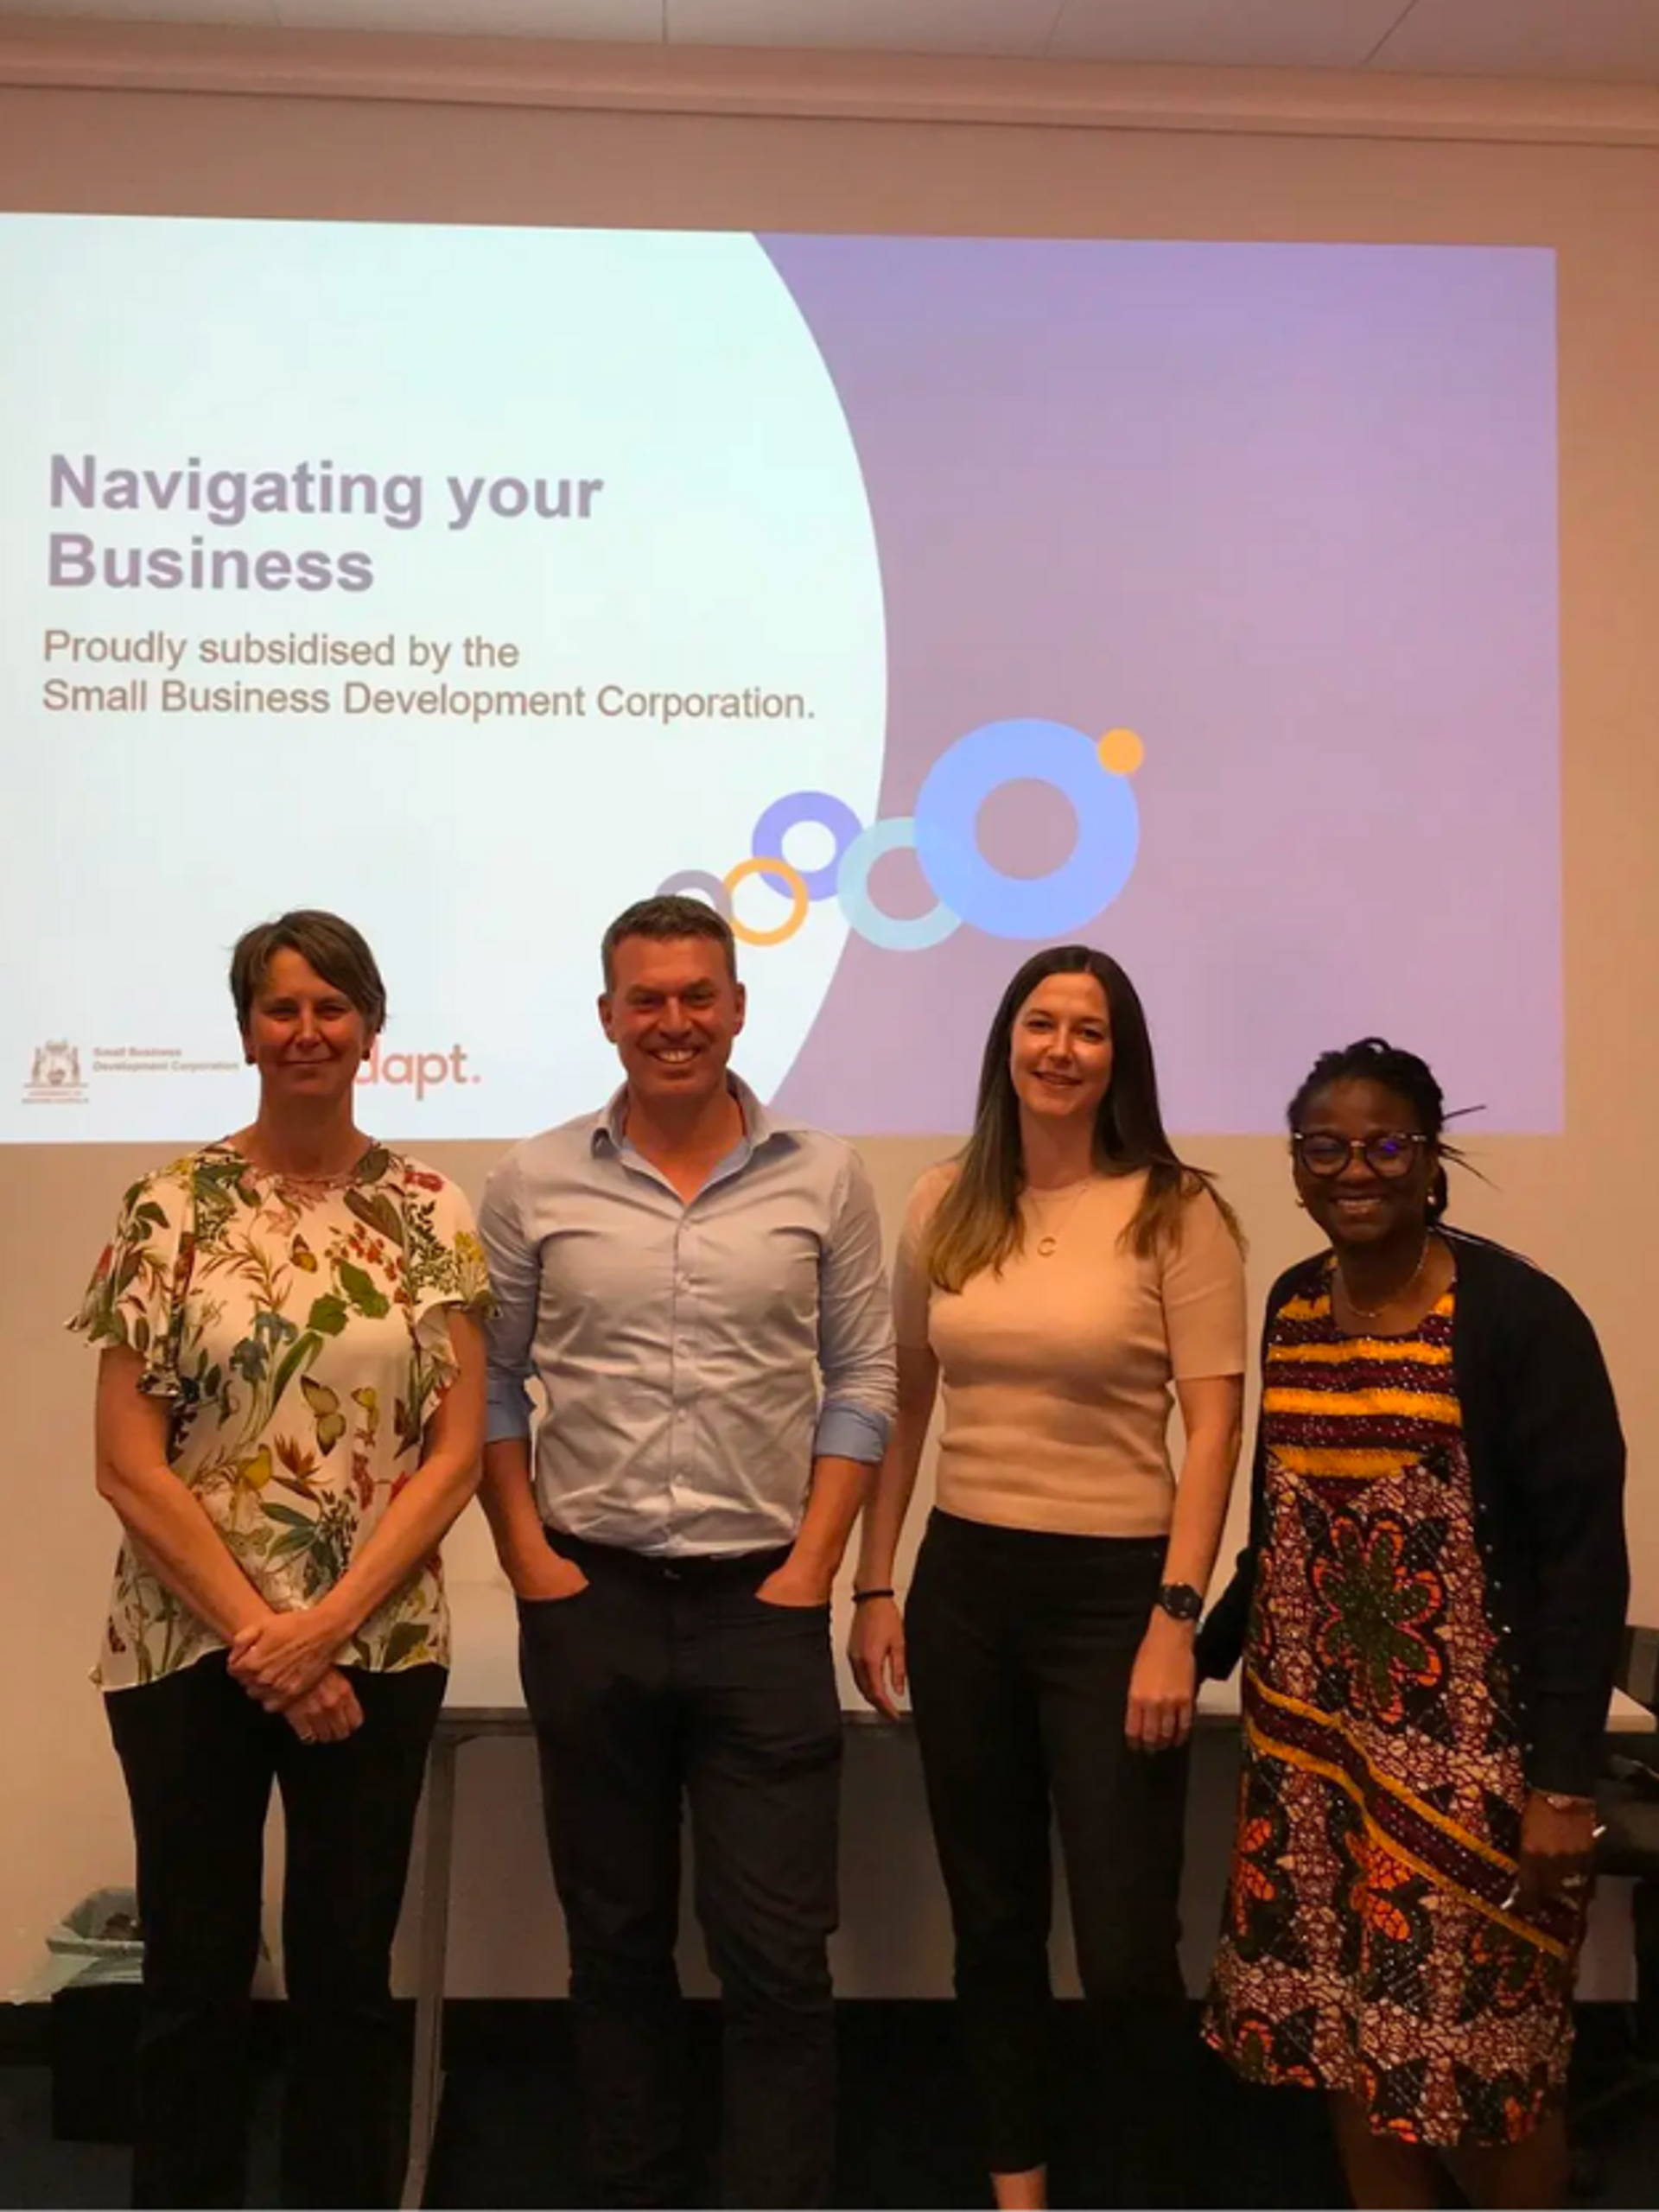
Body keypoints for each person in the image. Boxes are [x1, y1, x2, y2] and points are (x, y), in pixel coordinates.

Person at [476, 892, 896, 2209]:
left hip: (759, 1606)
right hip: (588, 1597)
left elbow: (862, 1378)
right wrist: (530, 1560)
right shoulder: (532, 1180)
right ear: (608, 1017)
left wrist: (812, 1569)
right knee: (614, 1946)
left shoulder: (825, 1177)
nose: (674, 1022)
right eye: (646, 1000)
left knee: (778, 1956)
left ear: (738, 1008)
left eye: (697, 996)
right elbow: (488, 1387)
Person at [71, 910, 491, 2210]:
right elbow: (126, 1462)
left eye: (332, 1007)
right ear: (247, 1031)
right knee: (194, 1983)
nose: (308, 1031)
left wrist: (326, 1628)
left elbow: (456, 1455)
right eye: (281, 1008)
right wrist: (272, 1637)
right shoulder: (170, 1208)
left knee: (347, 1985)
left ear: (372, 1029)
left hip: (378, 1650)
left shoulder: (429, 1211)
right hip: (184, 1646)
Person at [849, 944, 1248, 2210]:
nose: (1061, 1049)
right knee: (994, 1925)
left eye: (1089, 1029)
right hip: (967, 1589)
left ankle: (1145, 2188)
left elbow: (1215, 1431)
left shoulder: (1178, 1210)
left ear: (1120, 1058)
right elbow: (905, 1404)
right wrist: (875, 1584)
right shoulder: (944, 1202)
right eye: (1041, 1024)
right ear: (1006, 1044)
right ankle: (1016, 2191)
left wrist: (1176, 1618)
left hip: (1116, 1600)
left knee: (1127, 1946)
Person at [1199, 1039, 1629, 2210]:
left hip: (1475, 1777)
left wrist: (1564, 1783)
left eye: (1385, 1146)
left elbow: (1584, 1565)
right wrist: (1190, 1648)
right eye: (1325, 1148)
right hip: (1312, 1759)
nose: (1355, 1170)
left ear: (1432, 1160)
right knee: (1349, 2042)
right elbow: (1285, 1525)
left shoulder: (1518, 1316)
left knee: (1485, 2071)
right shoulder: (1293, 1303)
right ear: (1296, 1165)